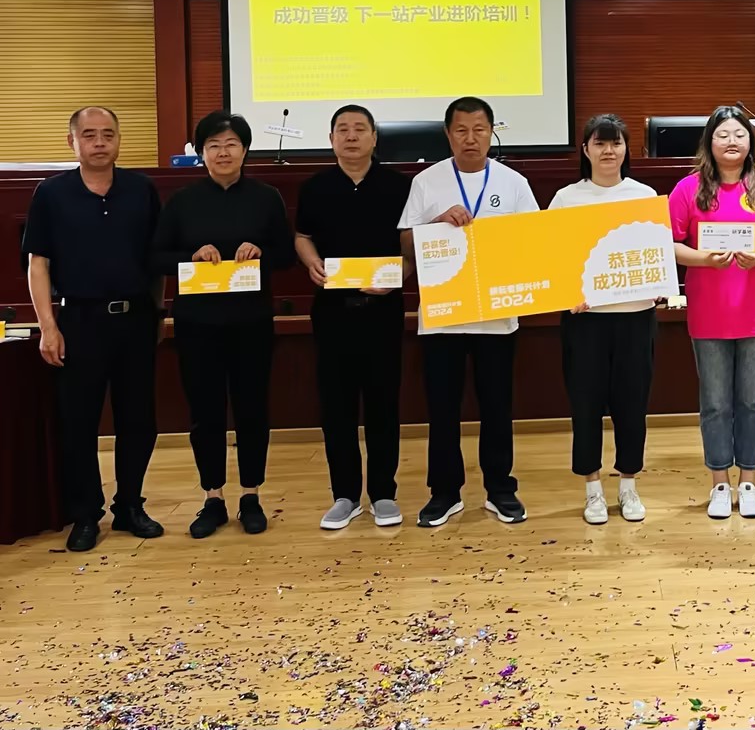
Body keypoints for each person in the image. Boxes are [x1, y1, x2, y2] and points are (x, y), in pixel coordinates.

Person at [22, 107, 165, 552]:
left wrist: (158, 313)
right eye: (89, 135)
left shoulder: (142, 189)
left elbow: (156, 260)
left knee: (138, 419)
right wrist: (48, 327)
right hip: (80, 321)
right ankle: (85, 514)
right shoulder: (51, 193)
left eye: (108, 134)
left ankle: (130, 506)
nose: (99, 142)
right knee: (79, 422)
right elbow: (38, 264)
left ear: (119, 139)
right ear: (72, 142)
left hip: (137, 319)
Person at [151, 111, 293, 538]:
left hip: (252, 321)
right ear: (201, 153)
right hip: (198, 324)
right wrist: (190, 257)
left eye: (231, 144)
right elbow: (156, 257)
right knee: (205, 411)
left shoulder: (267, 197)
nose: (223, 152)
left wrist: (261, 250)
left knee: (252, 408)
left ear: (245, 150)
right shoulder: (182, 201)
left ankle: (251, 494)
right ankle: (212, 496)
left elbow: (286, 255)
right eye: (213, 145)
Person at [398, 96, 539, 528]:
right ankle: (444, 492)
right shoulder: (427, 181)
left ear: (492, 132)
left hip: (497, 317)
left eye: (479, 129)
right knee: (442, 409)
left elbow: (534, 240)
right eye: (461, 130)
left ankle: (500, 489)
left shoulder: (513, 182)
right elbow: (405, 244)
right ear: (448, 134)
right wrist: (436, 223)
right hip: (443, 316)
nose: (470, 138)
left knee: (497, 406)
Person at [669, 105, 755, 520]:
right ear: (709, 142)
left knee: (752, 401)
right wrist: (704, 259)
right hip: (708, 314)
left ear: (750, 142)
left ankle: (749, 481)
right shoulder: (687, 189)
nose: (731, 141)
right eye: (722, 134)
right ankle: (719, 483)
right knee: (715, 403)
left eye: (739, 134)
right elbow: (669, 244)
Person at [294, 105, 413, 530]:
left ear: (374, 137)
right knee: (337, 406)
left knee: (383, 404)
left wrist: (402, 273)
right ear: (331, 139)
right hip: (332, 313)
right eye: (342, 130)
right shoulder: (315, 187)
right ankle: (344, 495)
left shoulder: (400, 185)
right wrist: (311, 262)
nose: (351, 136)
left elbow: (409, 242)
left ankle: (383, 493)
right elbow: (302, 236)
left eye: (360, 129)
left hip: (383, 312)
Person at [548, 114, 659, 526]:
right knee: (585, 405)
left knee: (633, 406)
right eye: (600, 143)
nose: (608, 151)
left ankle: (628, 485)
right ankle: (592, 489)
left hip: (635, 318)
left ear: (626, 149)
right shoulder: (566, 198)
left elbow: (656, 254)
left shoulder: (644, 195)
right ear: (586, 149)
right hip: (586, 322)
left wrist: (657, 282)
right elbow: (553, 257)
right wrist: (566, 293)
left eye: (616, 143)